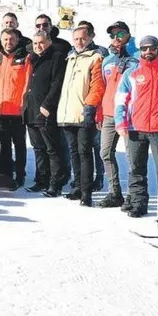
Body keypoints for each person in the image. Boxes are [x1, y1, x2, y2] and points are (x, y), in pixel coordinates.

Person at [114, 36, 158, 218]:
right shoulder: (131, 73)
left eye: (152, 48)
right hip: (135, 127)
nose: (148, 52)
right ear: (140, 50)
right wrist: (120, 121)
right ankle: (138, 203)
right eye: (145, 48)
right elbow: (120, 99)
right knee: (136, 169)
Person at [55, 22, 104, 206]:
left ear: (91, 37)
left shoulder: (95, 57)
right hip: (67, 113)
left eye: (83, 38)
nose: (79, 42)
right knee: (74, 152)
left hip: (83, 112)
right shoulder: (70, 58)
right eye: (76, 39)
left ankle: (86, 191)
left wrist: (90, 106)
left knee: (85, 153)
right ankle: (77, 186)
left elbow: (97, 85)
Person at [0, 28, 30, 190]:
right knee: (2, 144)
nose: (8, 42)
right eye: (5, 39)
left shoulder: (24, 58)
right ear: (0, 41)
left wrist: (25, 105)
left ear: (17, 40)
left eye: (11, 39)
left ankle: (20, 174)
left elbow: (26, 84)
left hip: (17, 110)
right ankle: (6, 174)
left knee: (19, 145)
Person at [22, 29, 67, 195]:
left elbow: (57, 83)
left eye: (41, 42)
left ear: (49, 42)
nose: (38, 46)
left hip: (46, 110)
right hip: (31, 110)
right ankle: (41, 180)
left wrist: (48, 104)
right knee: (38, 148)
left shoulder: (56, 57)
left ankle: (56, 183)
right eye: (35, 43)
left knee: (52, 148)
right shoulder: (32, 59)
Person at [98, 21, 137, 209]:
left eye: (120, 34)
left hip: (130, 116)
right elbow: (103, 88)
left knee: (132, 156)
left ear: (128, 35)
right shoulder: (107, 59)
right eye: (112, 36)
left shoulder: (137, 57)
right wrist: (99, 113)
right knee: (105, 153)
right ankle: (115, 193)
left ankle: (133, 194)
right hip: (108, 114)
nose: (116, 39)